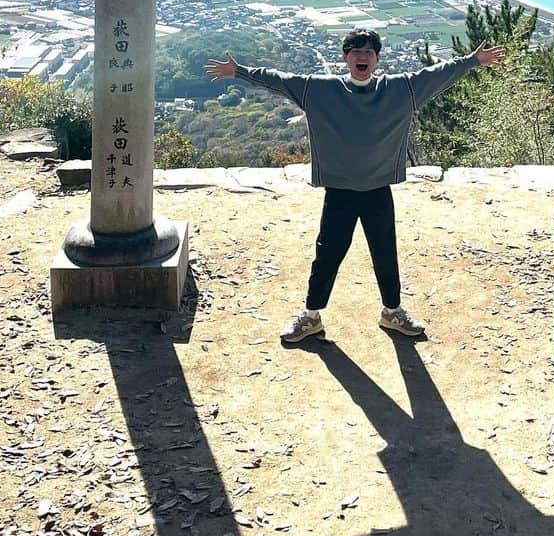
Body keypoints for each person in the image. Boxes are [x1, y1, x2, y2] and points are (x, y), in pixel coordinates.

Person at [204, 29, 504, 343]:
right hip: (340, 192)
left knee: (385, 253)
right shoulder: (320, 90)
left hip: (377, 190)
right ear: (345, 57)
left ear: (376, 58)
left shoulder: (400, 89)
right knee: (328, 254)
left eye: (368, 52)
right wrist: (238, 71)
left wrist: (473, 61)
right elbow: (279, 79)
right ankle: (311, 316)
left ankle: (392, 312)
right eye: (355, 51)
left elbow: (437, 74)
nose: (362, 57)